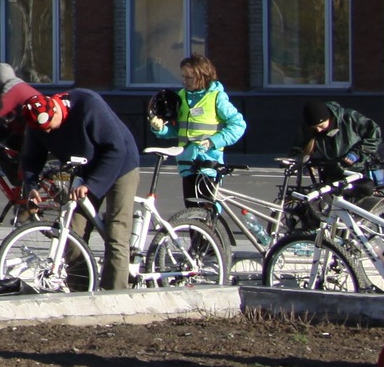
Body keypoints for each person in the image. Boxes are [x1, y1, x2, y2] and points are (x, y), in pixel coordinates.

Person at [17, 88, 144, 290]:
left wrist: (91, 185)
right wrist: (31, 187)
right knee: (72, 232)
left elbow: (116, 149)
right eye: (42, 130)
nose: (47, 133)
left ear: (56, 111)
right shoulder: (37, 122)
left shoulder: (88, 106)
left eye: (49, 127)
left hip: (120, 164)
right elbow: (31, 159)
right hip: (84, 166)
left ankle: (115, 295)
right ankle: (81, 292)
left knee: (116, 233)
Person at [146, 54, 246, 209]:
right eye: (182, 76)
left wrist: (214, 141)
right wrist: (160, 128)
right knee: (191, 211)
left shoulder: (217, 97)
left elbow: (238, 125)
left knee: (207, 211)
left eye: (189, 77)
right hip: (186, 164)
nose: (184, 81)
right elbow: (177, 131)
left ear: (202, 77)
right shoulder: (181, 96)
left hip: (209, 164)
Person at [298, 100, 384, 189]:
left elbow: (374, 136)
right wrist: (305, 162)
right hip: (333, 173)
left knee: (364, 194)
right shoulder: (310, 130)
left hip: (360, 170)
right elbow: (299, 148)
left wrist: (357, 153)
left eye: (321, 126)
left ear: (328, 118)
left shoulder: (350, 118)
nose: (318, 130)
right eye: (315, 128)